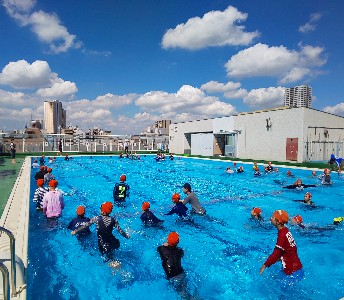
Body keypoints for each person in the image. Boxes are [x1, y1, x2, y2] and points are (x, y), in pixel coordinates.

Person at [259, 210, 304, 287]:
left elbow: (276, 254)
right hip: (297, 269)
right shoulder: (286, 231)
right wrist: (280, 258)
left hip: (292, 272)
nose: (270, 218)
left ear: (278, 221)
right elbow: (290, 251)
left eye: (273, 217)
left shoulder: (282, 235)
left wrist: (264, 265)